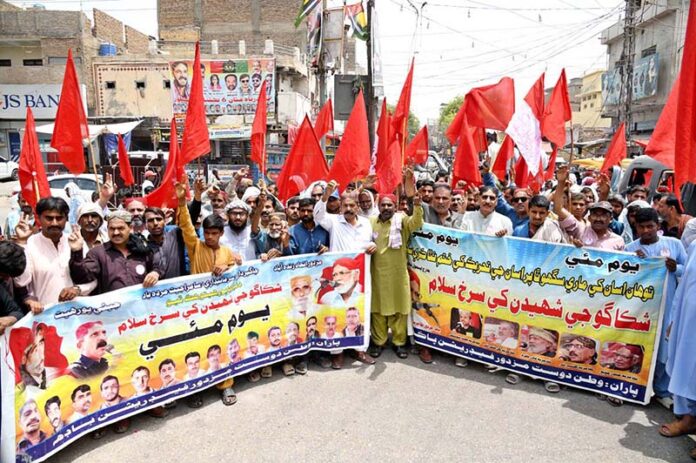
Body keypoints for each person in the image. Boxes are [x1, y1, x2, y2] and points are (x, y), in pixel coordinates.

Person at [626, 207, 686, 399]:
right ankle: (636, 386)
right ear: (636, 228)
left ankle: (662, 391)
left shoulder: (674, 244)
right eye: (641, 227)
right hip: (640, 308)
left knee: (664, 350)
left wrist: (675, 268)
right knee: (638, 346)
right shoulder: (631, 249)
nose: (645, 231)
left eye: (649, 226)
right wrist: (637, 264)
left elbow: (687, 270)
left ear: (658, 226)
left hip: (667, 306)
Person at [368, 183, 424, 359]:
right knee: (377, 309)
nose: (386, 208)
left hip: (398, 275)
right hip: (376, 274)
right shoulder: (370, 222)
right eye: (383, 205)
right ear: (378, 206)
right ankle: (379, 342)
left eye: (389, 205)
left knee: (399, 309)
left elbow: (416, 223)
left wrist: (417, 205)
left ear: (394, 206)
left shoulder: (402, 220)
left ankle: (399, 343)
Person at [14, 197, 95, 313]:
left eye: (59, 218)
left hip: (78, 315)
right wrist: (22, 242)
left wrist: (78, 289)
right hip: (45, 315)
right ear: (39, 218)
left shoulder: (76, 241)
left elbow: (93, 279)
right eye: (49, 218)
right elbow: (21, 282)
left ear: (66, 219)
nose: (54, 223)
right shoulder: (30, 244)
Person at [660, 241, 696, 459]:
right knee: (686, 370)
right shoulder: (695, 244)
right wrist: (675, 318)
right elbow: (685, 286)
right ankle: (689, 419)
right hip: (688, 321)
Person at [69, 210, 163, 294]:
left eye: (120, 228)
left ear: (130, 228)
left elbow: (157, 266)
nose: (116, 233)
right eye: (112, 229)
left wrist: (155, 273)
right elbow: (82, 277)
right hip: (112, 310)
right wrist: (76, 252)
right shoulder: (98, 253)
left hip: (141, 309)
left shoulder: (142, 250)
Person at [554, 166, 624, 251]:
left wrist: (604, 194)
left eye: (603, 215)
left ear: (610, 219)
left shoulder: (618, 241)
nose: (598, 218)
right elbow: (558, 209)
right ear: (589, 218)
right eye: (595, 215)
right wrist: (561, 182)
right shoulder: (581, 230)